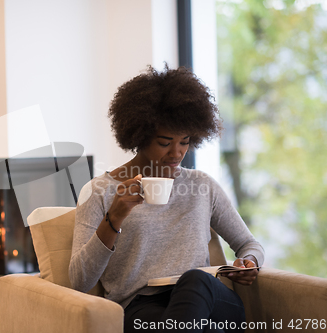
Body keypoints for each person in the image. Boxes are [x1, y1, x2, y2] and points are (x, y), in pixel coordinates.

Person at [69, 66, 264, 333]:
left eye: (184, 142)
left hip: (210, 300)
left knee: (195, 280)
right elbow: (78, 280)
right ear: (138, 136)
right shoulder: (100, 191)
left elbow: (248, 244)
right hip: (142, 308)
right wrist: (113, 218)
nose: (177, 153)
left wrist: (250, 262)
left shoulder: (202, 185)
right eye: (164, 143)